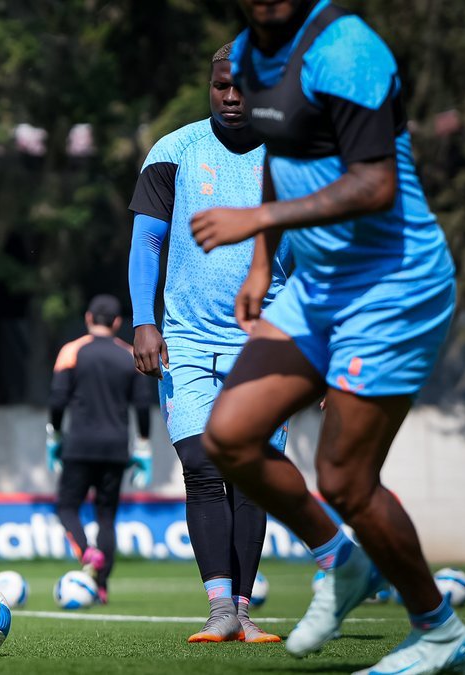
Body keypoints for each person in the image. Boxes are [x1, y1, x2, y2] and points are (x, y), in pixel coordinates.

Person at [190, 1, 465, 672]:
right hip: (318, 288)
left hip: (392, 285)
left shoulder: (348, 50)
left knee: (346, 478)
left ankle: (438, 630)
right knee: (229, 435)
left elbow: (376, 185)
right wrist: (263, 259)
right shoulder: (247, 54)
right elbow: (276, 153)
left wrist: (257, 219)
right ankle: (342, 563)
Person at [128, 44, 293, 644]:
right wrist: (143, 321)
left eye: (243, 87)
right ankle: (219, 609)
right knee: (201, 467)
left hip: (267, 342)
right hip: (187, 340)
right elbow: (147, 243)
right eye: (220, 85)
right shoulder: (173, 152)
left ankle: (244, 612)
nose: (230, 97)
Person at [47, 294, 153, 604]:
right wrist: (144, 446)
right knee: (106, 517)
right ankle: (102, 586)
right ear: (118, 322)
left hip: (79, 444)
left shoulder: (72, 351)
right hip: (116, 447)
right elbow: (143, 405)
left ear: (89, 319)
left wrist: (54, 435)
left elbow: (57, 400)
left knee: (67, 506)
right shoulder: (130, 354)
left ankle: (86, 552)